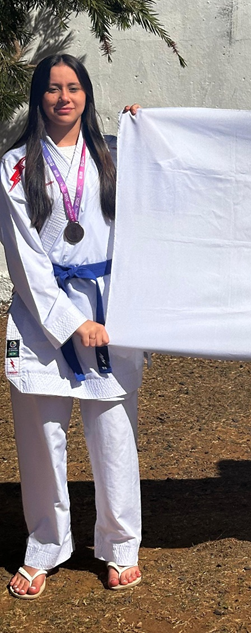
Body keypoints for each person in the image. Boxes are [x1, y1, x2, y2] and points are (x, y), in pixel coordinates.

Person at [0, 54, 144, 597]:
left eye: (74, 87)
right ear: (38, 97)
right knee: (42, 436)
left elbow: (161, 191)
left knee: (114, 430)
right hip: (43, 316)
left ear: (87, 94)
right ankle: (45, 544)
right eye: (53, 88)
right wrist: (68, 321)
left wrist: (149, 133)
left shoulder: (114, 155)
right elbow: (24, 255)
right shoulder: (16, 165)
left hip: (108, 310)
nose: (64, 97)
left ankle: (120, 545)